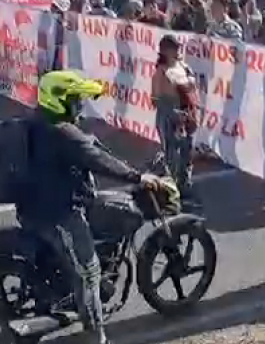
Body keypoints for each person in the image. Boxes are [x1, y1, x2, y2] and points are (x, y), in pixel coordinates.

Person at [17, 71, 165, 344]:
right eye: (76, 100)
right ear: (60, 100)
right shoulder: (63, 133)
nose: (80, 106)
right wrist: (137, 176)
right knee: (89, 271)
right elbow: (97, 159)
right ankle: (96, 336)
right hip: (58, 215)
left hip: (31, 208)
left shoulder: (35, 120)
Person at [151, 35, 201, 209]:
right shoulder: (161, 72)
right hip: (169, 118)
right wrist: (173, 113)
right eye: (174, 48)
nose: (178, 51)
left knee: (187, 153)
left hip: (187, 115)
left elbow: (194, 90)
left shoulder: (184, 67)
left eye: (178, 48)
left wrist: (193, 111)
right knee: (172, 156)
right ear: (165, 51)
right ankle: (170, 193)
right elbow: (155, 99)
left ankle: (185, 186)